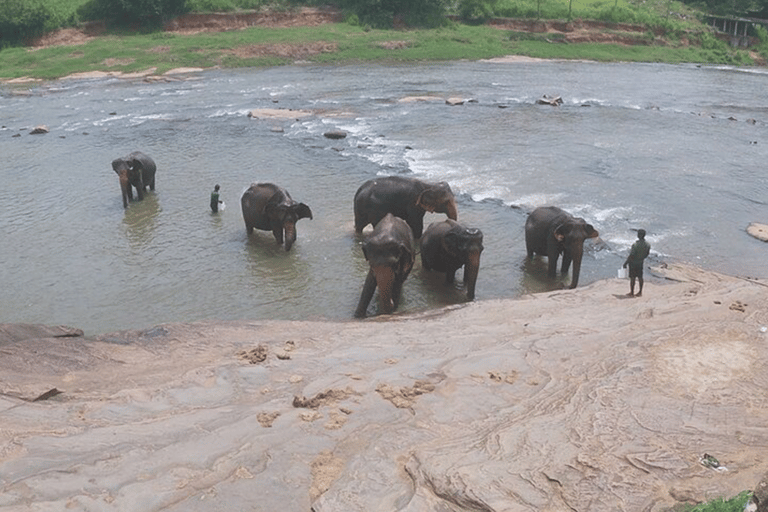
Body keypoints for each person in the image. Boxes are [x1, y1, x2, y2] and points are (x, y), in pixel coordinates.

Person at [623, 229, 651, 297]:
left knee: (632, 278)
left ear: (639, 235)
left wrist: (626, 263)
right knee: (640, 277)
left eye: (638, 234)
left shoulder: (635, 245)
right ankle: (640, 292)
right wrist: (641, 258)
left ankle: (632, 292)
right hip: (640, 262)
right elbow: (647, 254)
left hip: (633, 263)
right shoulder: (647, 244)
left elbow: (631, 255)